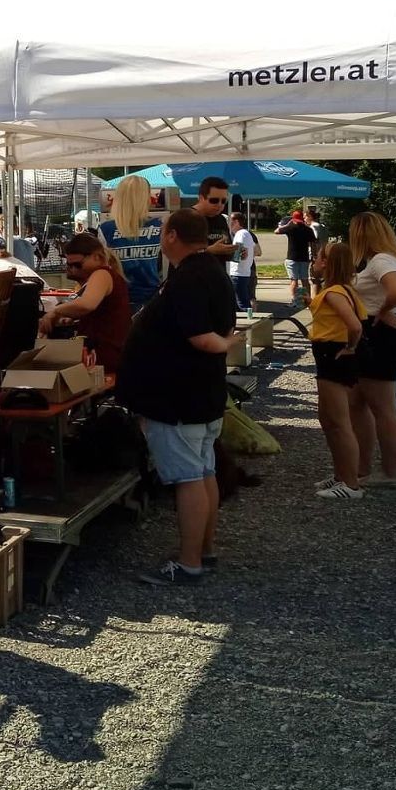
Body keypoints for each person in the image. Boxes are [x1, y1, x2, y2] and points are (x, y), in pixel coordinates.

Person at [117, 209, 241, 586]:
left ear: (172, 235)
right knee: (203, 472)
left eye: (162, 231)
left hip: (178, 399)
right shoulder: (210, 271)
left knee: (189, 479)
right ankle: (204, 550)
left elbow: (202, 336)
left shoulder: (189, 277)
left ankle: (189, 564)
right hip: (198, 394)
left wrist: (226, 346)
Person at [348, 211, 396, 488]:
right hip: (377, 335)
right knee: (357, 402)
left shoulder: (381, 261)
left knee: (382, 408)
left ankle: (389, 472)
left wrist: (383, 310)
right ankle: (362, 467)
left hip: (379, 336)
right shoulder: (392, 258)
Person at [310, 240, 368, 499]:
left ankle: (351, 484)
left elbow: (355, 326)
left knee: (339, 422)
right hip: (328, 355)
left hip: (333, 355)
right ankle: (341, 474)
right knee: (328, 419)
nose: (314, 261)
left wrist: (350, 347)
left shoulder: (335, 292)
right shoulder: (340, 290)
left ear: (327, 263)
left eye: (318, 257)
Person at [39, 233, 130, 373]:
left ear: (96, 257)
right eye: (69, 264)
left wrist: (56, 311)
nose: (73, 269)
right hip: (105, 354)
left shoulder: (102, 274)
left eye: (77, 264)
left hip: (105, 356)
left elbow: (87, 304)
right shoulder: (103, 277)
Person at [99, 176, 164, 311]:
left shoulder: (106, 230)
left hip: (118, 300)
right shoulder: (160, 227)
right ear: (145, 197)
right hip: (152, 299)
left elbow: (102, 268)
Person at [190, 176, 237, 266]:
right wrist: (208, 251)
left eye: (223, 201)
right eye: (214, 200)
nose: (219, 205)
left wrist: (236, 253)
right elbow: (177, 253)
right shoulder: (185, 218)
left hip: (217, 273)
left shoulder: (221, 219)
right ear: (201, 198)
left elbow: (225, 251)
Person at [272, 210, 316, 303]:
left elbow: (276, 231)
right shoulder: (308, 229)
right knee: (305, 280)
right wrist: (313, 255)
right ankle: (307, 300)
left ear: (293, 219)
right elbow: (313, 243)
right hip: (304, 258)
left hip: (292, 257)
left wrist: (288, 224)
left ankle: (295, 300)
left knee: (294, 280)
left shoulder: (290, 227)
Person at [228, 214, 261, 312]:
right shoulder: (246, 234)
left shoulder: (240, 234)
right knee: (243, 302)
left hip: (238, 273)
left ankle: (248, 319)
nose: (228, 223)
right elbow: (255, 251)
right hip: (243, 272)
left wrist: (225, 254)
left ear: (236, 222)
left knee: (241, 304)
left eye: (230, 221)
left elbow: (240, 255)